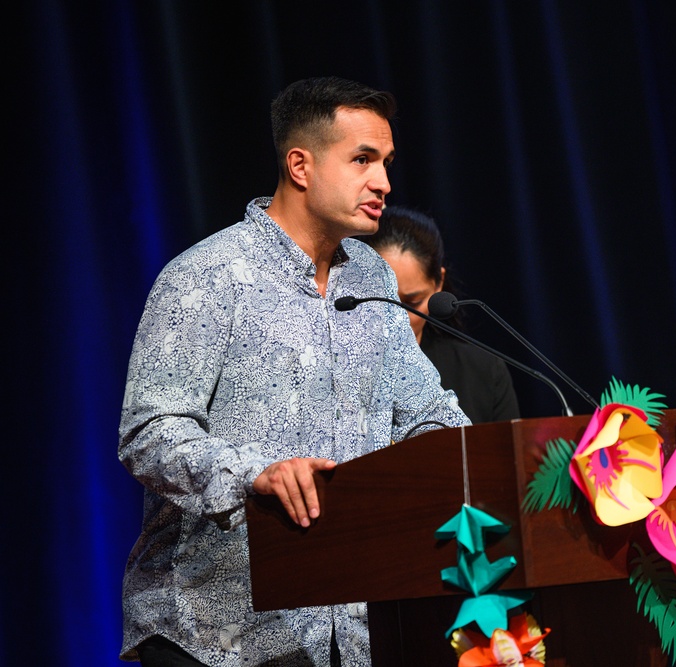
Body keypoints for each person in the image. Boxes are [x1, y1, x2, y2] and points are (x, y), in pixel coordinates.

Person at [118, 76, 470, 667]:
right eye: (362, 159)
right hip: (213, 636)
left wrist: (469, 461)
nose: (383, 182)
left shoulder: (372, 278)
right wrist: (256, 473)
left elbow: (425, 413)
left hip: (350, 633)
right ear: (300, 165)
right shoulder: (208, 275)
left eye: (385, 163)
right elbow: (149, 433)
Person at [358, 206, 520, 424]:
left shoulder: (483, 372)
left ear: (438, 284)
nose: (396, 317)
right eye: (383, 300)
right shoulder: (331, 365)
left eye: (411, 303)